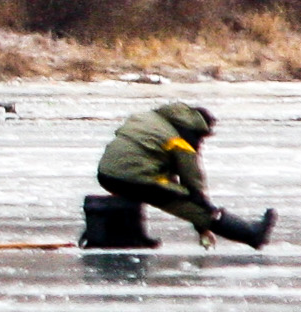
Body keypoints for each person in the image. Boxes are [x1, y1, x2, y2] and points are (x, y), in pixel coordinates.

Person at [98, 101, 275, 248]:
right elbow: (192, 182)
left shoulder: (149, 119)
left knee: (155, 188)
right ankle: (251, 235)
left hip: (107, 173)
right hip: (132, 177)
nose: (201, 142)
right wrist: (204, 215)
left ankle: (134, 236)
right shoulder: (180, 140)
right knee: (186, 201)